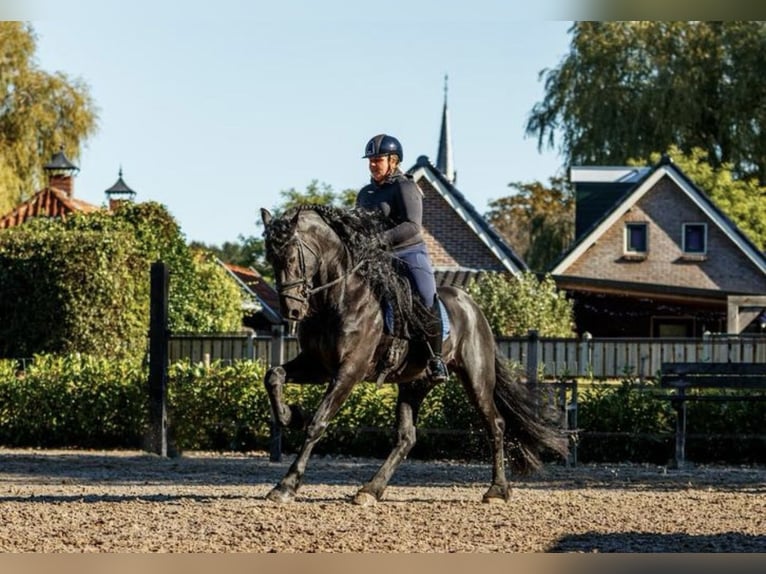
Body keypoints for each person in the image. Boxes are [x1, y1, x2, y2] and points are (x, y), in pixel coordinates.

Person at [356, 133, 449, 383]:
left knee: (426, 294)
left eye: (378, 159)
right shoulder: (365, 193)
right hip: (376, 257)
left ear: (393, 161)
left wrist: (378, 240)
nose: (373, 164)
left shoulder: (405, 187)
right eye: (371, 160)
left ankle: (436, 358)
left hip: (409, 253)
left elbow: (412, 226)